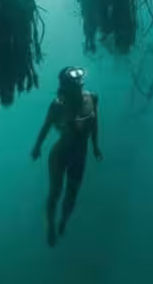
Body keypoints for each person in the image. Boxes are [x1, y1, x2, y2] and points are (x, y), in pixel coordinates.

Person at [31, 67, 102, 246]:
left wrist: (95, 146)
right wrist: (37, 147)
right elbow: (45, 127)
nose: (79, 87)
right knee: (55, 193)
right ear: (66, 87)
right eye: (74, 85)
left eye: (79, 84)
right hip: (60, 155)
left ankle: (63, 221)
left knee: (72, 195)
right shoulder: (58, 106)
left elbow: (95, 124)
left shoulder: (91, 98)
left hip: (80, 156)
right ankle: (50, 226)